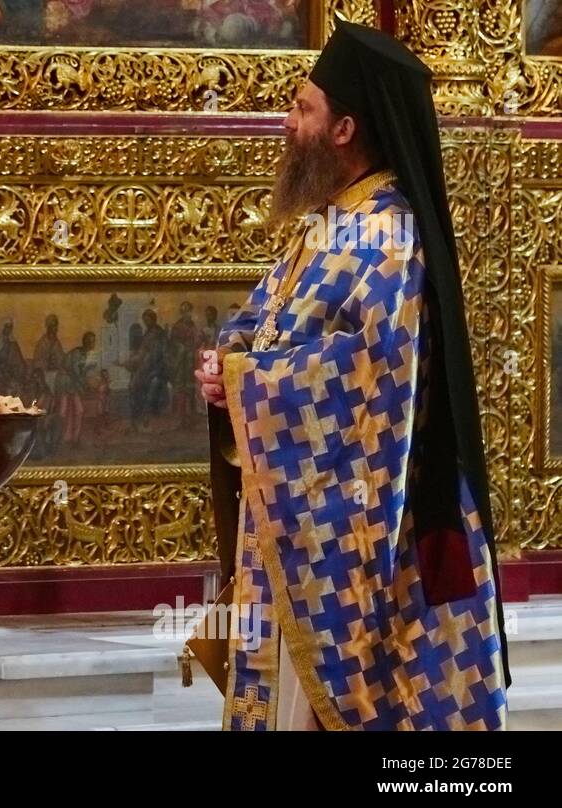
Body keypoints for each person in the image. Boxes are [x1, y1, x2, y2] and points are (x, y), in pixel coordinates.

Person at [194, 21, 508, 730]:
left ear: (343, 128)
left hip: (361, 524)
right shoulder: (331, 221)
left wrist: (246, 380)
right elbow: (265, 315)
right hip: (293, 513)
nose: (287, 122)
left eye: (301, 109)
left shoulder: (390, 238)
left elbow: (367, 374)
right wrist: (226, 361)